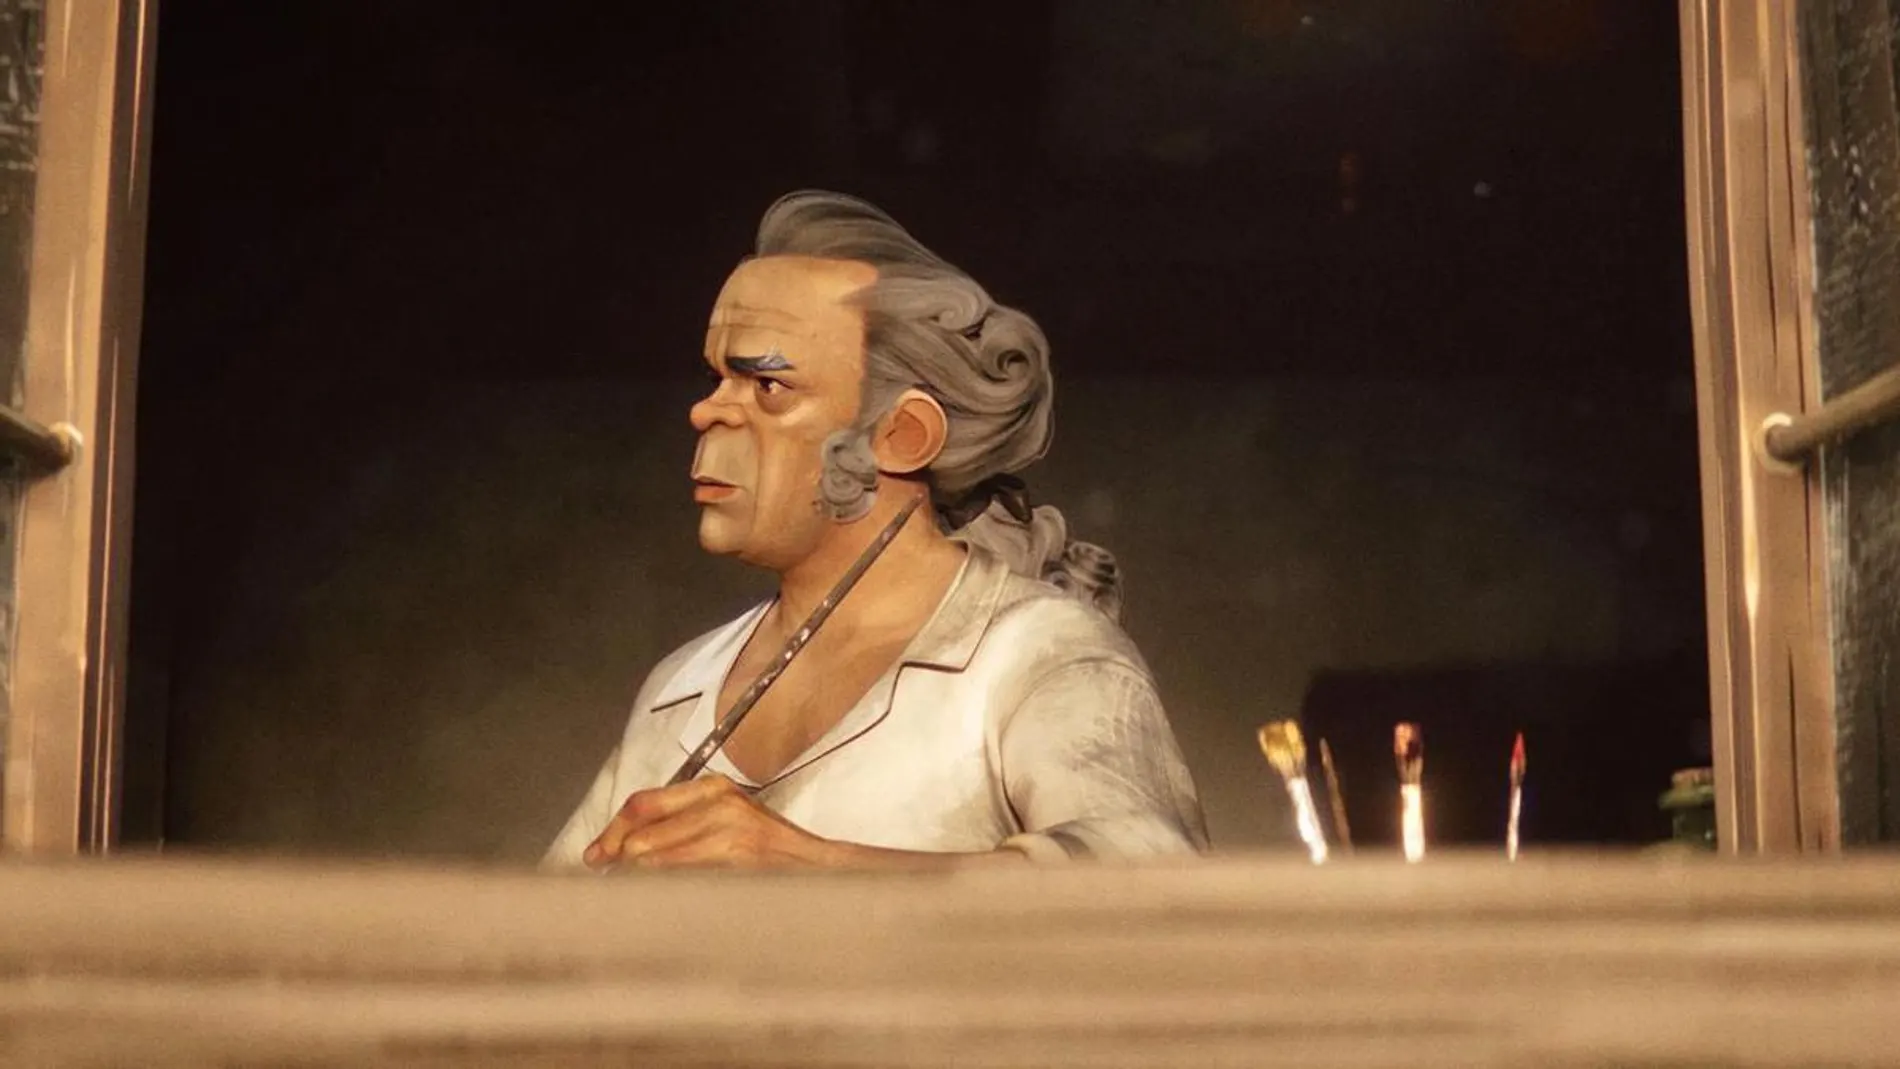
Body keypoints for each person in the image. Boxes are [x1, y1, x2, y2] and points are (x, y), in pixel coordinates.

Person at [544, 191, 1206, 870]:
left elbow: (1151, 877)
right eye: (716, 378)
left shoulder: (1036, 652)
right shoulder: (681, 688)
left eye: (767, 386)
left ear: (903, 434)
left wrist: (808, 865)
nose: (706, 412)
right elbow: (548, 910)